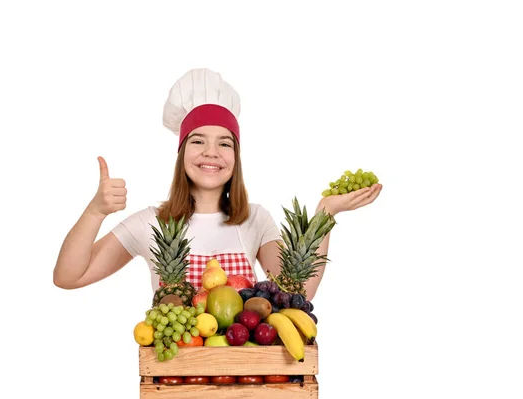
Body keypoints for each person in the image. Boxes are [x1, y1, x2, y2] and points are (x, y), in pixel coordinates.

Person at [52, 68, 382, 301]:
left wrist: (326, 213)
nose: (212, 152)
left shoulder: (256, 219)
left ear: (235, 158)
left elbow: (297, 292)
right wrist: (95, 211)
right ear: (181, 153)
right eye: (198, 141)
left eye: (224, 143)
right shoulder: (151, 222)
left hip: (247, 377)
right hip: (177, 379)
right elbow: (68, 277)